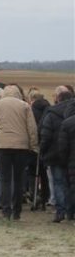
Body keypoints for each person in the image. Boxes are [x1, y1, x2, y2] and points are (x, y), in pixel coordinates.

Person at [0, 85, 38, 221]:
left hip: (1, 145)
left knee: (5, 179)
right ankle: (17, 211)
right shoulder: (25, 106)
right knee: (18, 179)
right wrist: (33, 146)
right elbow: (32, 128)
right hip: (21, 146)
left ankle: (6, 211)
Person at [40, 87, 75, 222]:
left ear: (57, 98)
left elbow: (45, 135)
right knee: (70, 184)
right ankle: (71, 211)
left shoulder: (50, 114)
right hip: (71, 155)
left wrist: (42, 151)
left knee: (59, 183)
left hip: (54, 155)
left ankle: (60, 211)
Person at [58, 102, 75, 221]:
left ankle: (71, 213)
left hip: (72, 161)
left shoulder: (67, 123)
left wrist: (64, 161)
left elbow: (63, 147)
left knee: (72, 188)